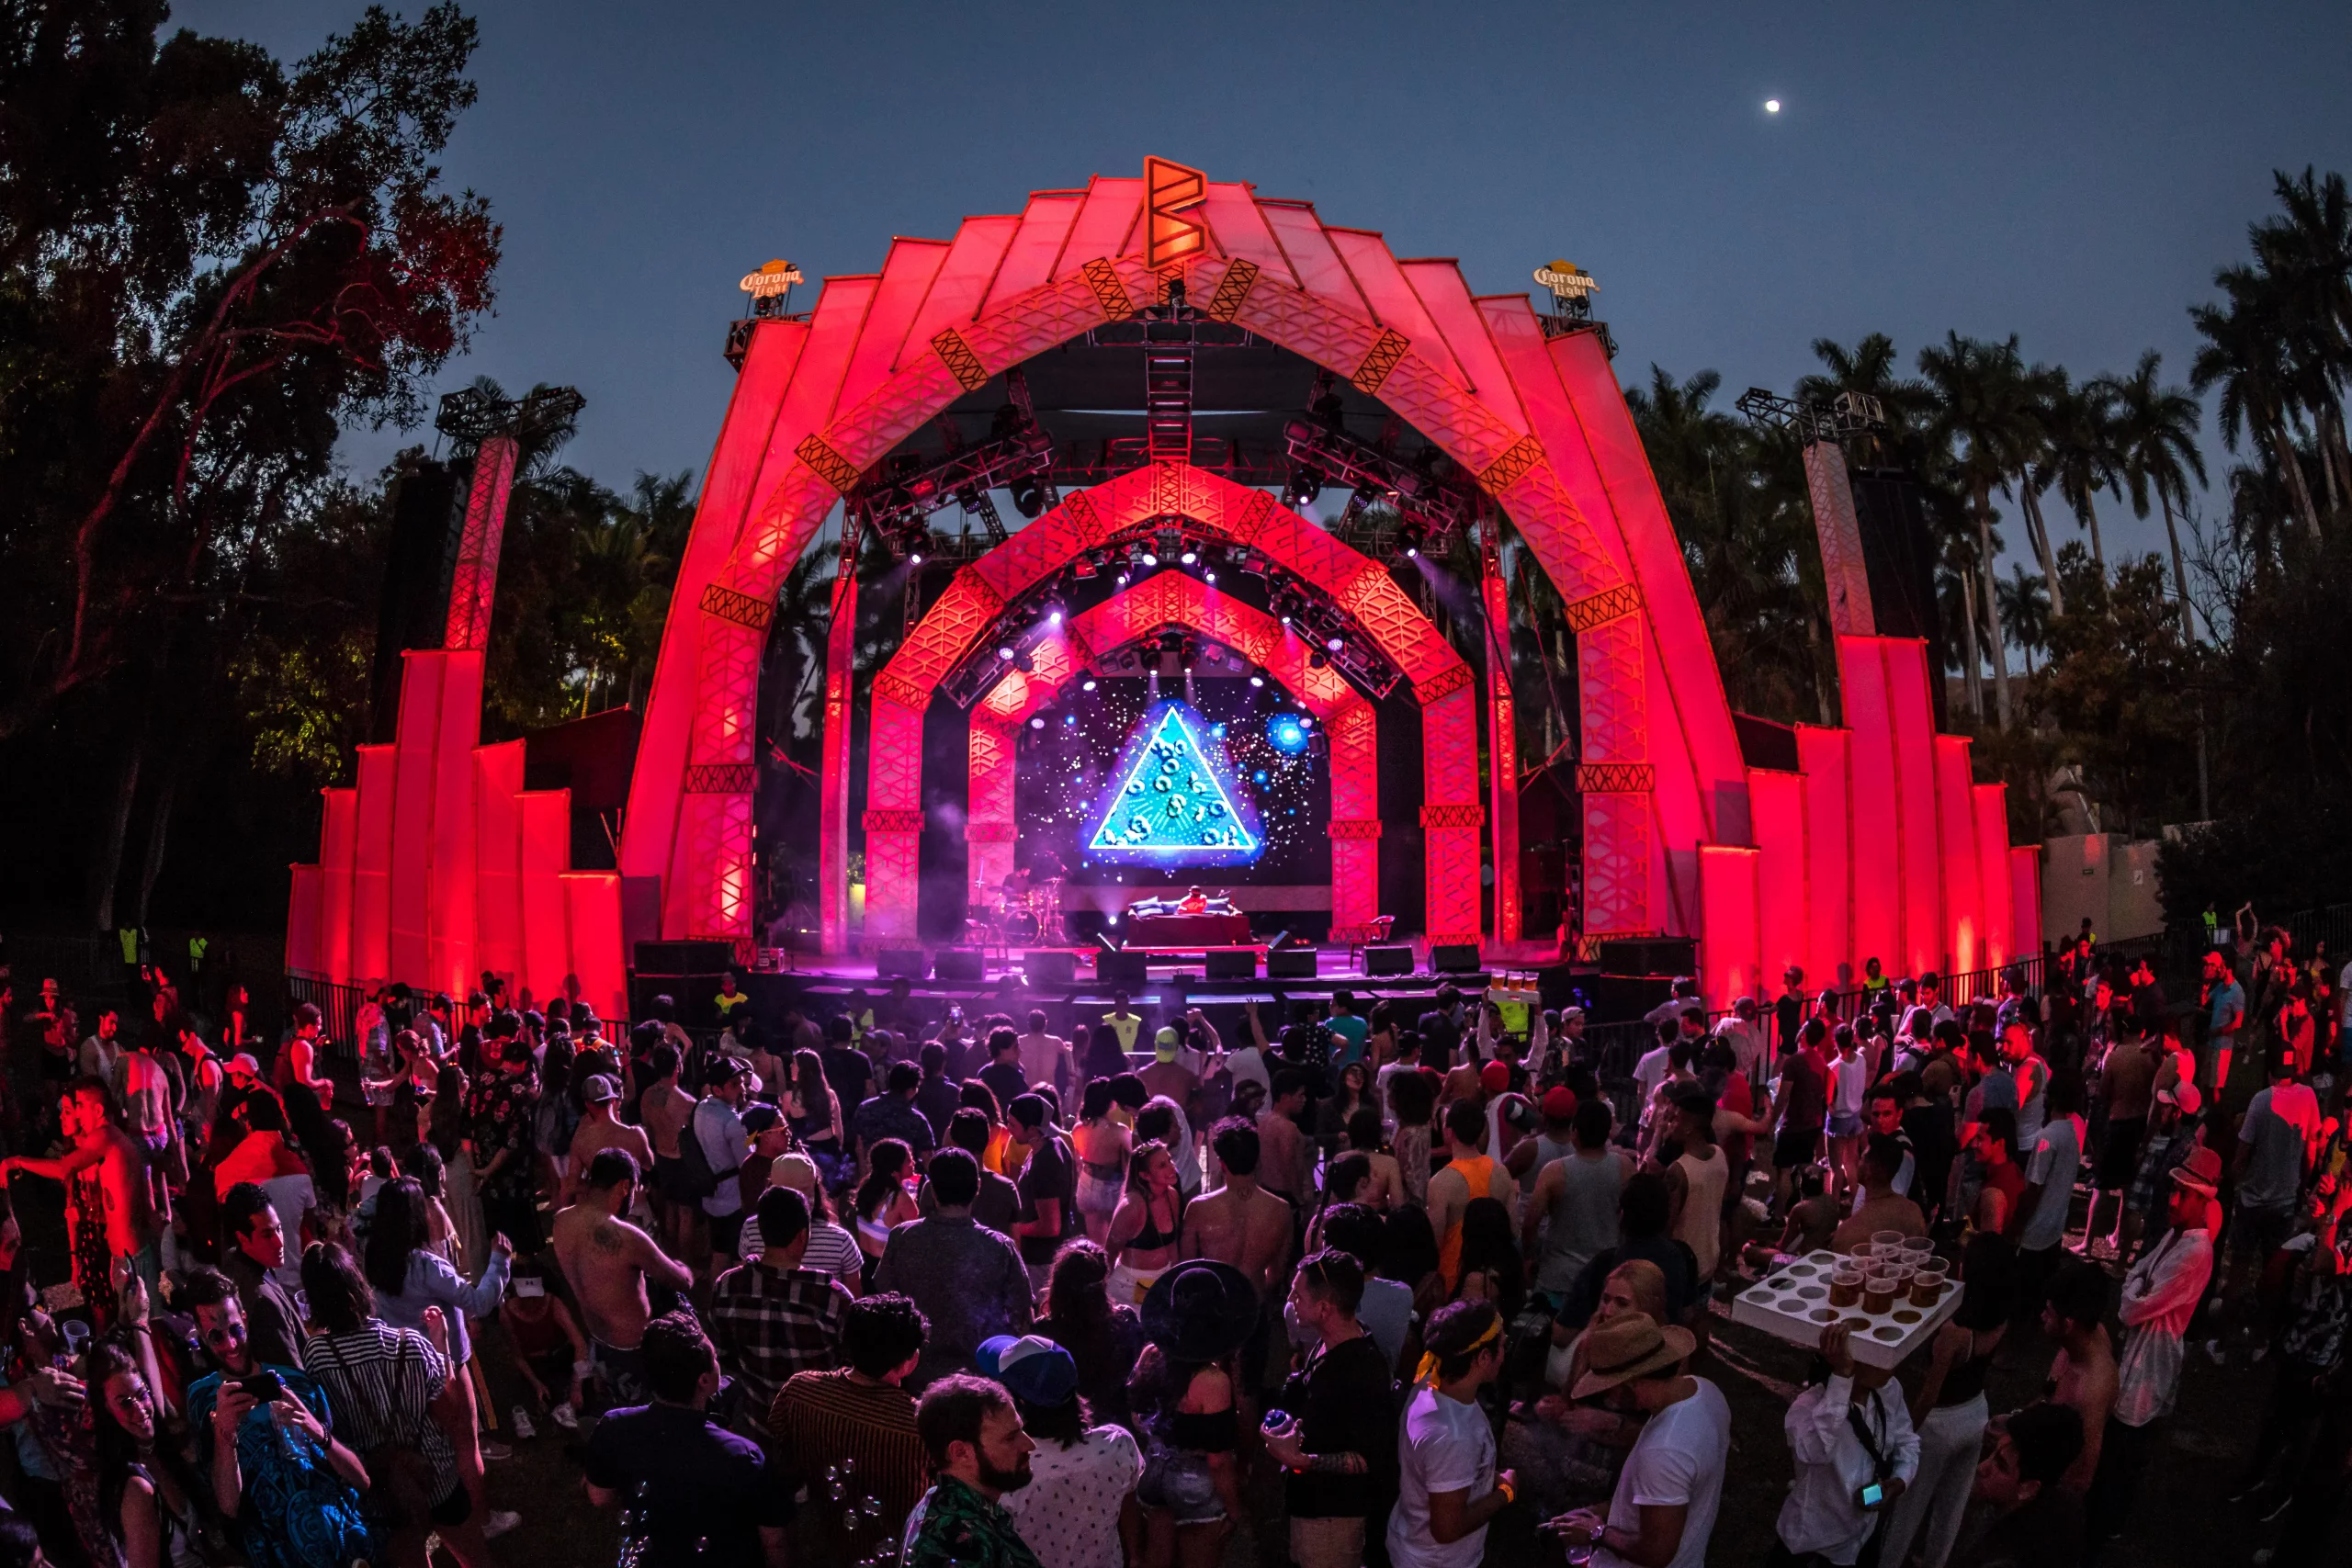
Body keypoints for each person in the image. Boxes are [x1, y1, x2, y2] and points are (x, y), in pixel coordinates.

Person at [181, 1268, 377, 1568]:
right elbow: (228, 1506)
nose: (230, 1345)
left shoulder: (295, 1382)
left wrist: (316, 1429)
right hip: (278, 1553)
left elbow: (362, 1480)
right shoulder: (204, 1398)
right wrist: (226, 1435)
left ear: (245, 1319)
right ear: (202, 1338)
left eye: (235, 1330)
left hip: (345, 1540)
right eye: (216, 1336)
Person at [583, 1310, 792, 1568]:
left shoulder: (613, 1426)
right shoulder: (744, 1456)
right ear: (704, 1381)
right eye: (714, 1359)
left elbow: (600, 1497)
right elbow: (775, 1542)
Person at [2084, 1145, 2219, 1542]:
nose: (2173, 1201)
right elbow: (2135, 1275)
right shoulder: (2174, 1237)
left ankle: (2107, 1528)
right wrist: (2139, 1287)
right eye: (2173, 1191)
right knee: (2115, 1446)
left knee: (2125, 1448)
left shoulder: (2196, 1252)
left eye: (2184, 1194)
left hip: (2149, 1365)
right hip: (2137, 1355)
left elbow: (2130, 1309)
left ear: (2203, 1200)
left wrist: (2137, 1290)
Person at [1543, 1310, 1728, 1568]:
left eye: (1608, 1385)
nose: (1609, 1395)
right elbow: (1666, 1501)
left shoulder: (1664, 1450)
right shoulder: (1706, 1391)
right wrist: (1600, 1513)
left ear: (1630, 1383)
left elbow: (1657, 1553)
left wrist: (1596, 1532)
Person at [1879, 1234, 2014, 1568]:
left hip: (1940, 1425)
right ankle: (1935, 1563)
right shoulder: (2000, 1317)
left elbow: (1929, 1394)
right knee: (1952, 1507)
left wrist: (1903, 1436)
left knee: (1908, 1508)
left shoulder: (1954, 1333)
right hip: (1977, 1411)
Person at [771, 1294, 932, 1566]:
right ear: (911, 1361)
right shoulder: (921, 1425)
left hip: (822, 1549)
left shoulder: (800, 1391)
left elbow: (782, 1455)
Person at [1265, 1249, 1397, 1568]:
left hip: (1332, 1518)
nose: (1290, 1300)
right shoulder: (1328, 1342)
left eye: (1298, 1295)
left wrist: (1302, 1460)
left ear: (1324, 1308)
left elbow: (1368, 1458)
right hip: (1308, 1502)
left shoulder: (1363, 1370)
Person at [876, 1147, 1034, 1389]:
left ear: (932, 1190)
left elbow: (884, 1299)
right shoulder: (1000, 1247)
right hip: (982, 1382)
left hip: (914, 1380)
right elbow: (1022, 1317)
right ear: (977, 1187)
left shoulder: (902, 1238)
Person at [1, 1077, 157, 1323]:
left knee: (147, 1326)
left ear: (98, 1110)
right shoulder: (103, 1140)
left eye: (80, 1105)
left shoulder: (105, 1136)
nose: (76, 1112)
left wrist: (17, 1161)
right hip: (121, 1256)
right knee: (130, 1325)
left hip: (131, 1257)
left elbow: (64, 1169)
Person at [1130, 1259, 1254, 1567]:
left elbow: (1137, 1418)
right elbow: (1218, 1460)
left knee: (1157, 1560)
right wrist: (1235, 1509)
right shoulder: (1212, 1381)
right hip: (1194, 1483)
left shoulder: (1150, 1356)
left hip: (1153, 1471)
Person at [982, 1335, 1142, 1568]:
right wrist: (1135, 1555)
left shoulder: (1010, 1474)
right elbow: (1129, 1507)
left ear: (1019, 1404)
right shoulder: (1117, 1446)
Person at [551, 1148, 695, 1407]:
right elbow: (680, 1282)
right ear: (625, 1186)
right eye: (635, 1189)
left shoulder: (561, 1221)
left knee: (618, 1410)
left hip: (597, 1339)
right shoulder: (627, 1237)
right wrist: (684, 1267)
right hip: (634, 1349)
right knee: (647, 1414)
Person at [1770, 1321, 1920, 1565]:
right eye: (1879, 1352)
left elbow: (1907, 1441)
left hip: (1862, 1537)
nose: (1892, 1361)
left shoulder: (1889, 1390)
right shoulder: (1807, 1407)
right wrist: (1842, 1379)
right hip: (1811, 1541)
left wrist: (1898, 1482)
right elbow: (1815, 1452)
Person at [1389, 1299, 1515, 1568]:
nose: (1504, 1356)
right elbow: (1447, 1529)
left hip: (1411, 1539)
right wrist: (1505, 1492)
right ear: (1483, 1357)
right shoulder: (1453, 1436)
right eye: (1503, 1346)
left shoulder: (1431, 1381)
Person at [710, 1185, 853, 1422]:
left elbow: (724, 1354)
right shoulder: (833, 1297)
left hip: (757, 1419)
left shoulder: (727, 1286)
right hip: (818, 1426)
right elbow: (850, 1368)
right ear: (802, 1236)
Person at [2211, 1055, 2320, 1360]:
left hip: (2253, 1201)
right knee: (2274, 1273)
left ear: (2271, 1073)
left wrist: (2232, 1181)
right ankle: (2261, 1339)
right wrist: (2303, 1182)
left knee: (2238, 1270)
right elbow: (2311, 1148)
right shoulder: (2308, 1096)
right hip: (2284, 1202)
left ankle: (2222, 1344)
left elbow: (2242, 1153)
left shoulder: (2261, 1101)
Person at [88, 1333, 208, 1568]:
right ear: (107, 1409)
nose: (141, 1410)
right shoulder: (136, 1489)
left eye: (141, 1395)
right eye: (125, 1403)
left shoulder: (160, 1450)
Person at [904, 1375, 1042, 1568]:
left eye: (1021, 1430)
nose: (1030, 1445)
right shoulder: (958, 1542)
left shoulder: (943, 1501)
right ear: (960, 1452)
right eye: (1010, 1438)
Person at [1949, 1403, 2086, 1568]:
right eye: (1992, 1452)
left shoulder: (2004, 1557)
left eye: (2001, 1466)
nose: (1982, 1467)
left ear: (2029, 1488)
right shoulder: (2063, 1509)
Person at [2041, 1258, 2117, 1493]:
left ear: (2068, 1324)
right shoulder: (2091, 1333)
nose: (2042, 1316)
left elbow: (2079, 1479)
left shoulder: (2089, 1392)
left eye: (2049, 1313)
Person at [1427, 1099, 1515, 1295]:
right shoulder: (1502, 1173)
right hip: (1495, 1282)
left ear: (1449, 1132)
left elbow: (1434, 1244)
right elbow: (1513, 1230)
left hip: (1454, 1285)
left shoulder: (1441, 1182)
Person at [218, 1179, 306, 1367]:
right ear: (243, 1238)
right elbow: (293, 1371)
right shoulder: (263, 1300)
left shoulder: (236, 1260)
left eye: (278, 1229)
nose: (279, 1242)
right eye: (267, 1235)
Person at [467, 1037, 541, 1253]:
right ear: (523, 1064)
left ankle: (495, 1264)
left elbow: (465, 1127)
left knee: (492, 1221)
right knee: (515, 1222)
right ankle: (521, 1265)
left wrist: (475, 1168)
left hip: (482, 1163)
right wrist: (489, 1170)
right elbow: (514, 1140)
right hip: (511, 1173)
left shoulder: (478, 1082)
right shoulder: (518, 1092)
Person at [499, 1261, 589, 1431]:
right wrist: (536, 1383)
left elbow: (580, 1345)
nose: (532, 1302)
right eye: (526, 1297)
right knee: (542, 1397)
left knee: (585, 1386)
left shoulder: (554, 1304)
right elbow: (517, 1356)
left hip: (559, 1357)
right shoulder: (507, 1313)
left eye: (535, 1296)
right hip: (534, 1363)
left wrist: (577, 1386)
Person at [1007, 1092, 1076, 1291]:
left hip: (1041, 1260)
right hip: (1048, 1254)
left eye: (1013, 1124)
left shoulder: (1045, 1163)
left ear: (1032, 1129)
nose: (1008, 1128)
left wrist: (1013, 1229)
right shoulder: (1055, 1142)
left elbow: (1050, 1226)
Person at [692, 1055, 753, 1268]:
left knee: (718, 1251)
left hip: (710, 1195)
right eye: (735, 1085)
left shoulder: (700, 1108)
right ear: (718, 1090)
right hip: (733, 1199)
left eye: (742, 1082)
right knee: (737, 1257)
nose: (742, 1089)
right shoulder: (733, 1122)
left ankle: (715, 1288)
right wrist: (754, 1135)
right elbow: (747, 1161)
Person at [1108, 1139, 1184, 1308]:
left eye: (1169, 1160)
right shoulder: (1132, 1207)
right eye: (1162, 1165)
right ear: (1145, 1175)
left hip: (1161, 1281)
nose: (1172, 1168)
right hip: (1129, 1287)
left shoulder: (1172, 1196)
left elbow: (1172, 1245)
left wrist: (1174, 1278)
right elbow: (1109, 1253)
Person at [561, 1073, 653, 1205]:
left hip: (603, 1209)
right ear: (613, 1100)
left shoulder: (580, 1141)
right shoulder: (635, 1134)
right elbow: (649, 1165)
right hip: (635, 1205)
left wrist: (600, 1188)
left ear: (588, 1104)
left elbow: (572, 1185)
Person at [1832, 1133, 1928, 1253]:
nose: (1858, 1163)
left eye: (1862, 1159)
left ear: (1868, 1171)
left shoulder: (1848, 1233)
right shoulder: (1914, 1211)